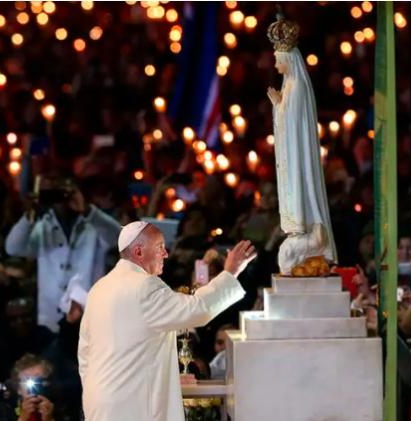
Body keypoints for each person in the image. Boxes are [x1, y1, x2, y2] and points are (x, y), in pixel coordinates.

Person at [78, 221, 255, 421]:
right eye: (160, 247)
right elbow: (197, 308)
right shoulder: (144, 286)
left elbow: (85, 352)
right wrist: (231, 273)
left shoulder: (99, 288)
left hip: (99, 402)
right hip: (133, 403)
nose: (166, 254)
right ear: (138, 252)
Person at [5, 174, 122, 333]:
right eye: (53, 193)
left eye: (65, 192)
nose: (60, 199)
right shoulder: (43, 226)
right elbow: (13, 248)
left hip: (88, 317)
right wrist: (29, 216)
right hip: (51, 318)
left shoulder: (94, 224)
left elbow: (119, 238)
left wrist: (87, 211)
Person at [266, 16, 337, 273]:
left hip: (296, 155)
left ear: (287, 60)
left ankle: (304, 229)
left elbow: (293, 123)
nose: (275, 64)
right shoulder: (290, 86)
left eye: (277, 59)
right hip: (289, 153)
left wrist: (277, 105)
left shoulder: (295, 87)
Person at [0, 354, 58, 421]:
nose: (33, 384)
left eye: (38, 379)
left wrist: (49, 419)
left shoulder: (58, 408)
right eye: (27, 379)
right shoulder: (5, 410)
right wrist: (23, 418)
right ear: (19, 389)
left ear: (47, 383)